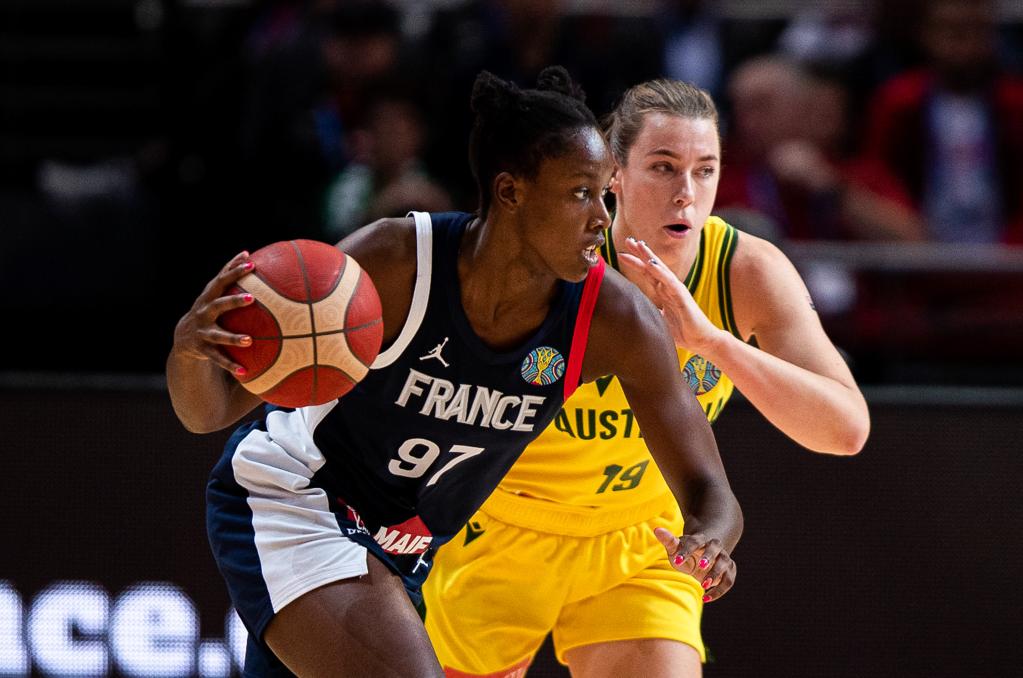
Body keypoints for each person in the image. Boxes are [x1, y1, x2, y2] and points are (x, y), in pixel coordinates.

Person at [166, 67, 743, 676]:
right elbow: (210, 412)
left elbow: (710, 490)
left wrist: (710, 541)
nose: (603, 217)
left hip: (403, 550)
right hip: (295, 501)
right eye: (580, 193)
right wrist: (190, 351)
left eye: (605, 194)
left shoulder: (615, 319)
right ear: (510, 191)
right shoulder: (397, 262)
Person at [424, 78, 870, 678]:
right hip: (503, 526)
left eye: (705, 170)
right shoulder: (552, 259)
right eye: (663, 167)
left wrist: (713, 343)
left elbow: (845, 431)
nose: (686, 192)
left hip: (644, 541)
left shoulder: (745, 271)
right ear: (614, 175)